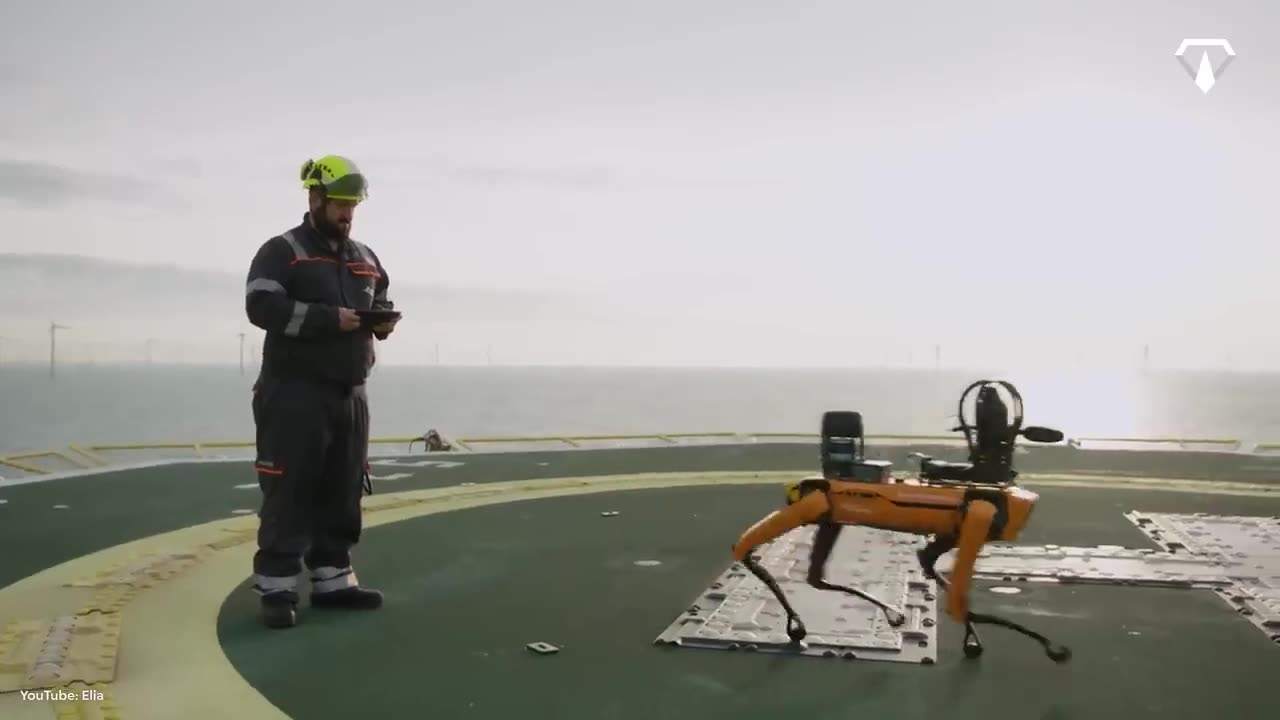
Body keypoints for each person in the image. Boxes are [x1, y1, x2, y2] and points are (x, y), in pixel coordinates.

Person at [243, 154, 399, 629]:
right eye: (340, 204)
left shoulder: (365, 258)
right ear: (315, 198)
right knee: (289, 488)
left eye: (353, 205)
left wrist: (382, 321)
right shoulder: (282, 251)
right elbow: (260, 305)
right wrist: (328, 320)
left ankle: (333, 579)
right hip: (294, 392)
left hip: (350, 394)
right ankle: (277, 587)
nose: (348, 213)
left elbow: (381, 296)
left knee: (343, 487)